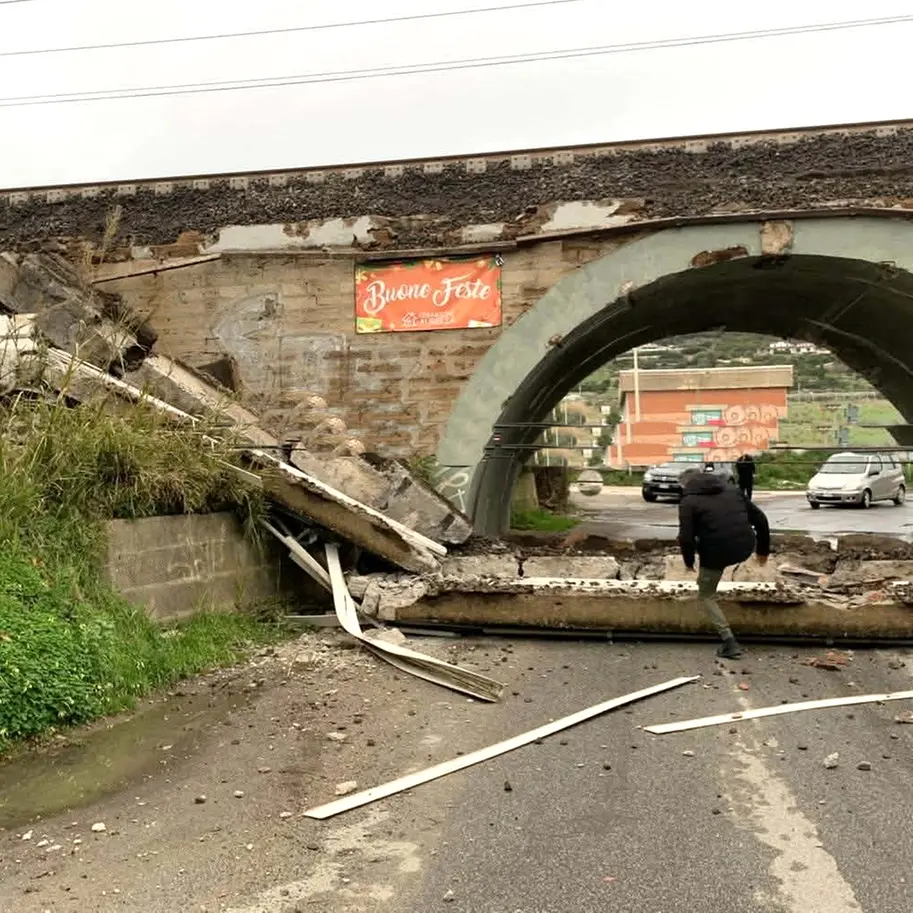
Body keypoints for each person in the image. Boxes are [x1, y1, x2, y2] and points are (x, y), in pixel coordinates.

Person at [677, 467, 770, 659]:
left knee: (706, 595)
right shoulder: (733, 491)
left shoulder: (688, 502)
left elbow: (685, 538)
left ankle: (729, 642)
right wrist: (763, 551)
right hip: (745, 546)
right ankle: (707, 577)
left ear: (685, 485)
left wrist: (689, 562)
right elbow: (761, 519)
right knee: (713, 562)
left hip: (717, 552)